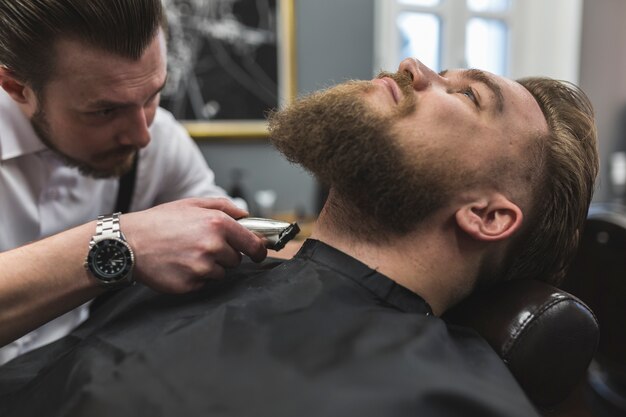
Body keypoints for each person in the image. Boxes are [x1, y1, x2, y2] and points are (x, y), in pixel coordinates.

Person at [0, 58, 598, 417]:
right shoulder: (207, 259)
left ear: (488, 216)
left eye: (466, 95)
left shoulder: (447, 401)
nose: (413, 69)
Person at [0, 0, 268, 364]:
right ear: (16, 87)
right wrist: (121, 240)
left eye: (153, 95)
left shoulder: (162, 140)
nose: (142, 136)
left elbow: (235, 237)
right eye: (104, 111)